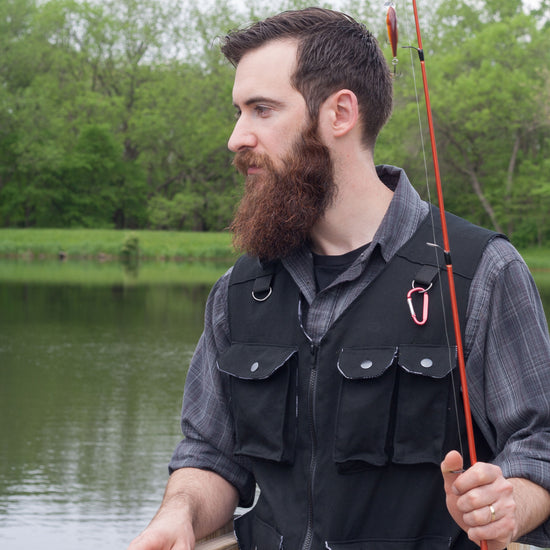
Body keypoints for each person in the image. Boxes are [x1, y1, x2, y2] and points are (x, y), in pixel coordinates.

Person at [128, 8, 550, 550]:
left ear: (340, 113)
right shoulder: (238, 292)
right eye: (238, 112)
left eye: (261, 110)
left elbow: (540, 446)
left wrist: (506, 501)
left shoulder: (483, 272)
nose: (236, 137)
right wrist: (179, 516)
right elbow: (210, 455)